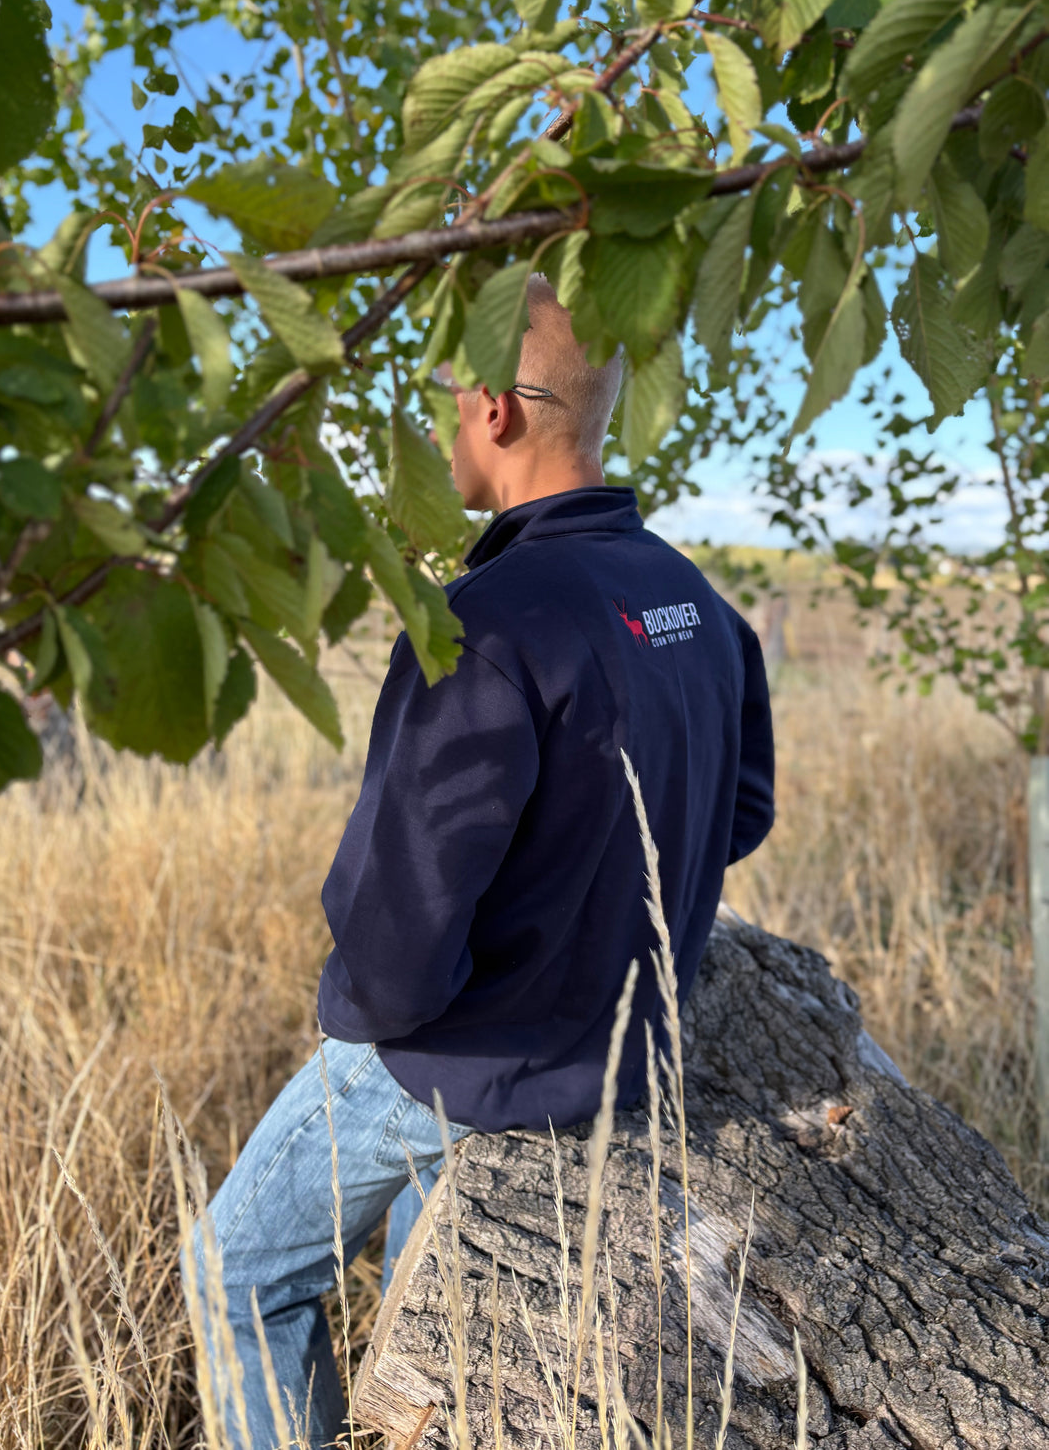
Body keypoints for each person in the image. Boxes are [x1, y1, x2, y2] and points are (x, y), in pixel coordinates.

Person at [187, 274, 776, 1448]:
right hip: (605, 1061)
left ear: (493, 412)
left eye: (450, 396)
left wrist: (365, 1020)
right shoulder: (695, 603)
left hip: (463, 1056)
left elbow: (400, 943)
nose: (445, 422)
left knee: (235, 1276)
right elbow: (740, 814)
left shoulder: (485, 622)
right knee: (430, 1327)